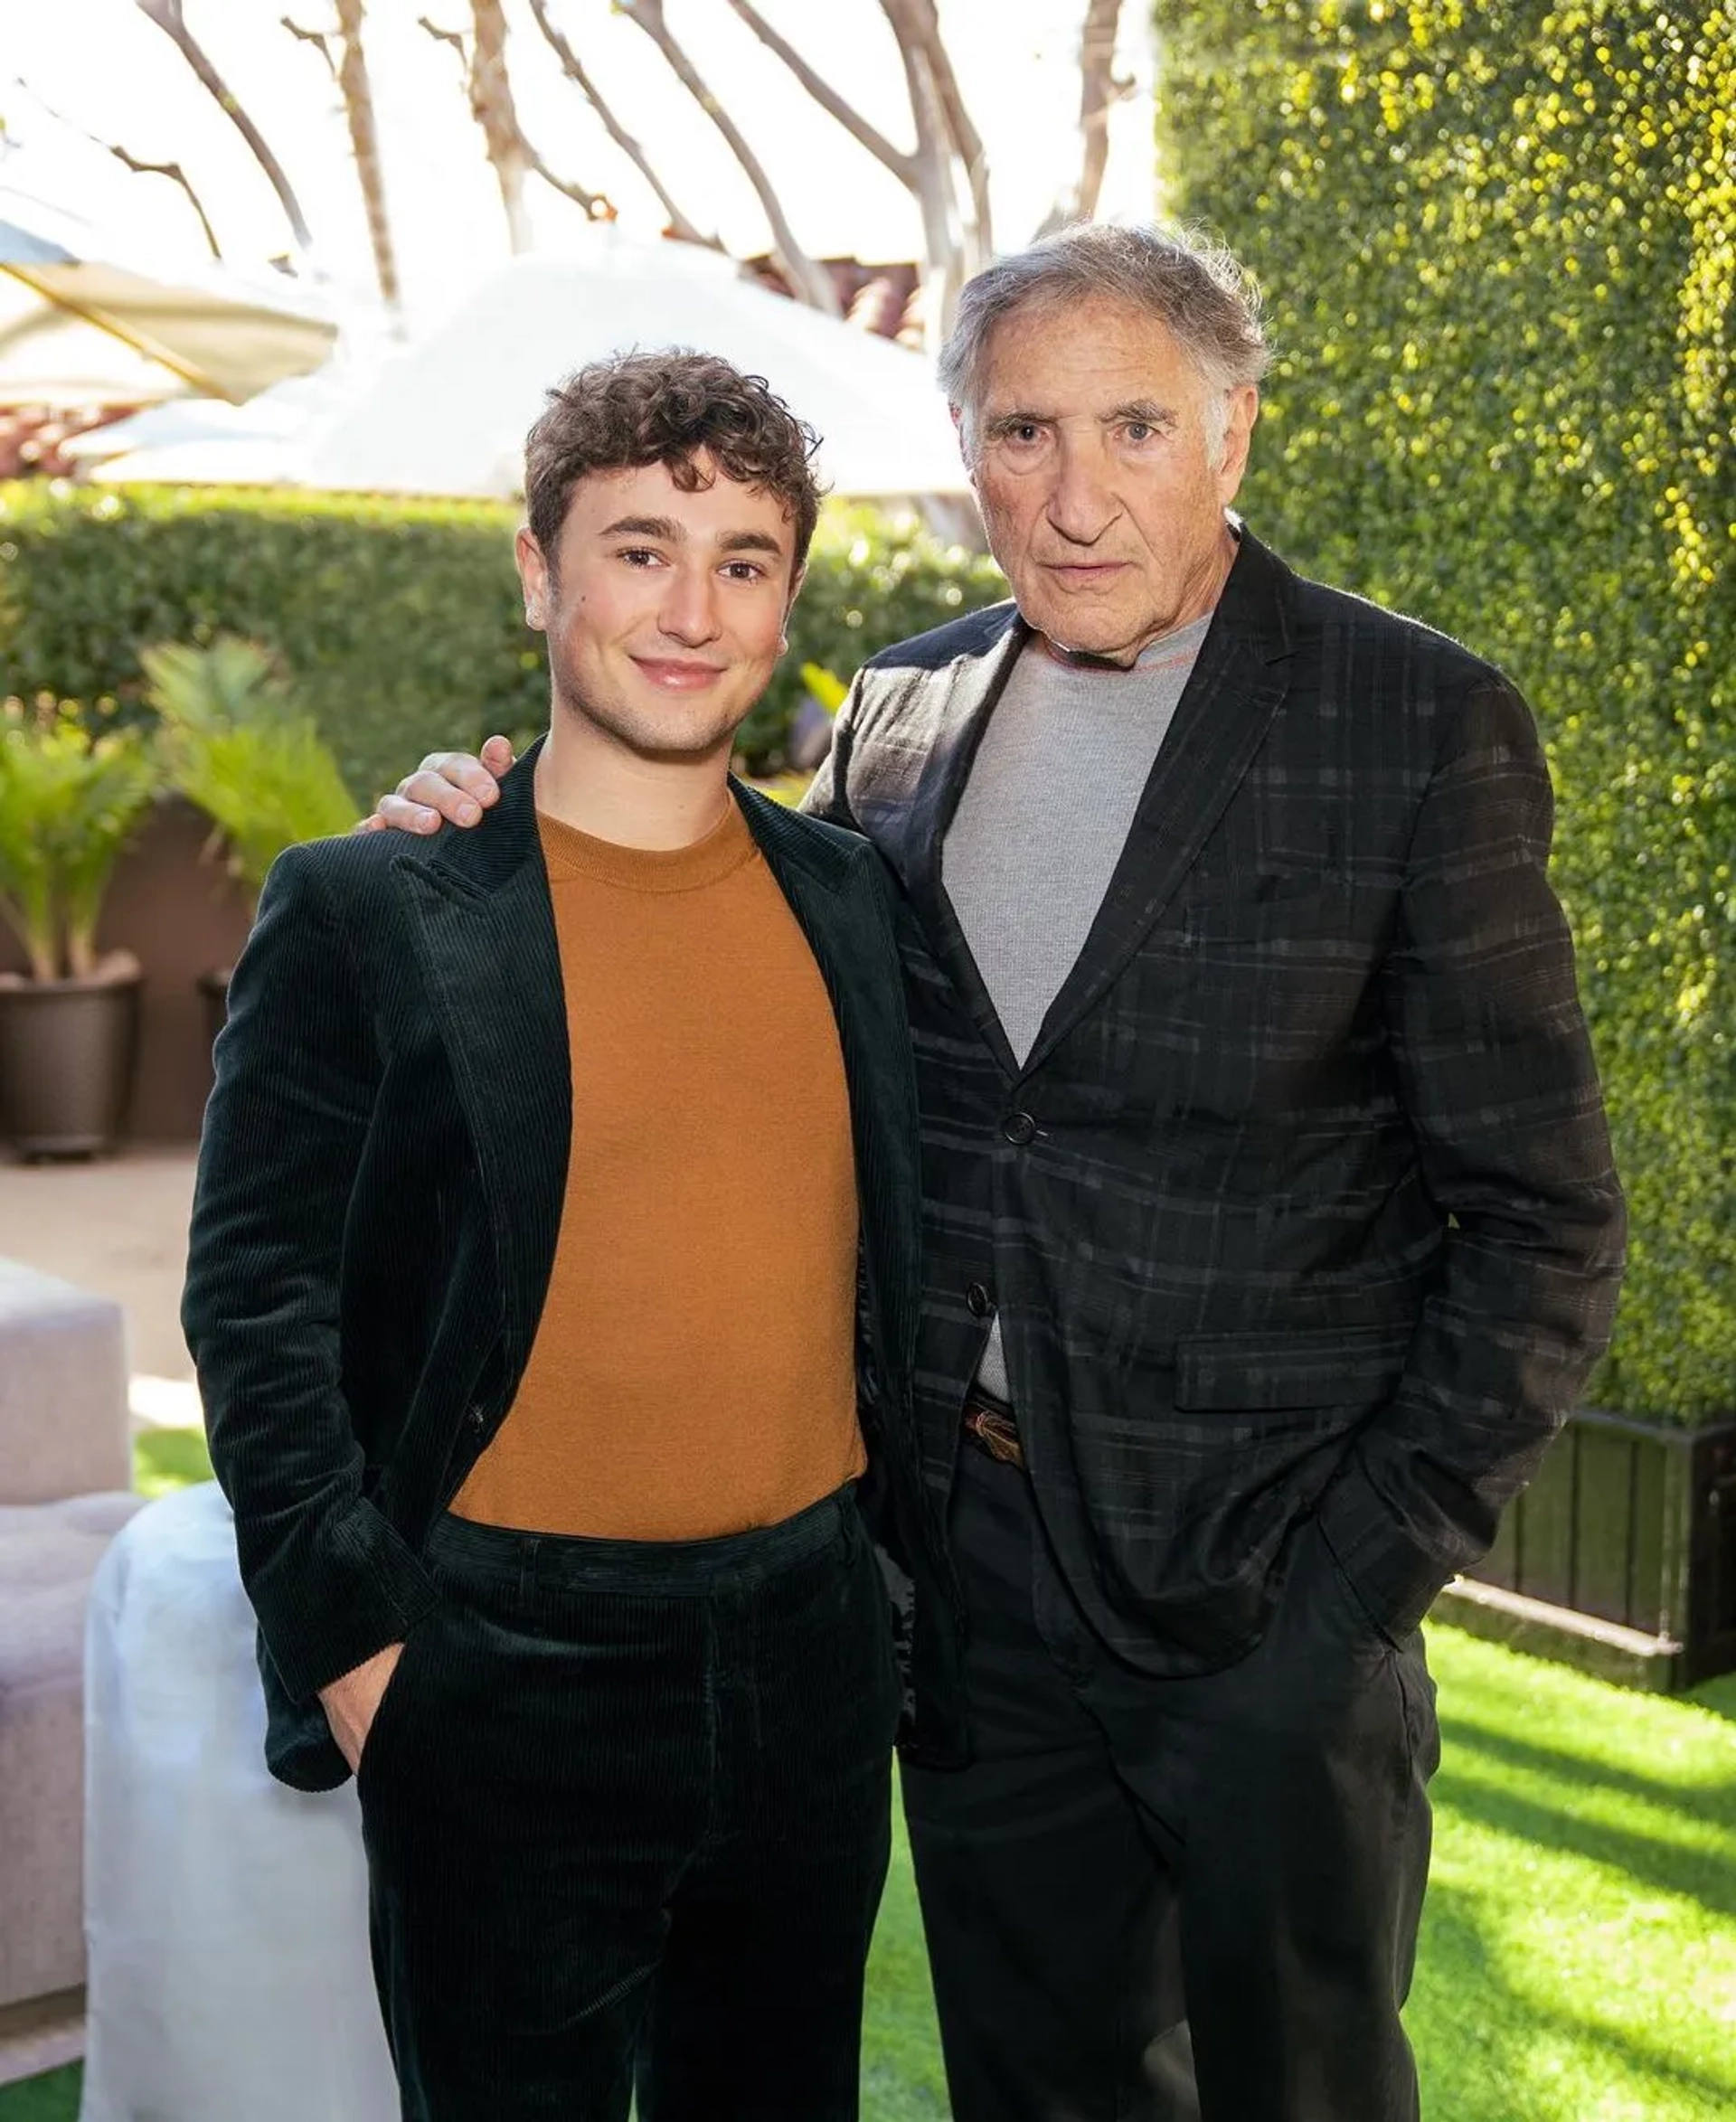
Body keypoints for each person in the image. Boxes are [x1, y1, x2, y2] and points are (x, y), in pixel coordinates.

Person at [370, 224, 1626, 2122]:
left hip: (1267, 1594)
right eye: (1024, 430)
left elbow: (1541, 1220)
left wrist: (1352, 1592)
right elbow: (715, 930)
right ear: (970, 451)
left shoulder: (1413, 724)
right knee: (1038, 2089)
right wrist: (476, 827)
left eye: (1134, 425)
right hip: (967, 1590)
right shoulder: (907, 712)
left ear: (1235, 439)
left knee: (1308, 2092)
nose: (1074, 490)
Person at [181, 349, 956, 2122]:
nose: (691, 611)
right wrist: (362, 1647)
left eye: (744, 560)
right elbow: (256, 1302)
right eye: (638, 548)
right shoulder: (366, 905)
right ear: (537, 572)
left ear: (788, 600)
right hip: (496, 1665)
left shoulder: (853, 901)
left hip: (810, 1658)